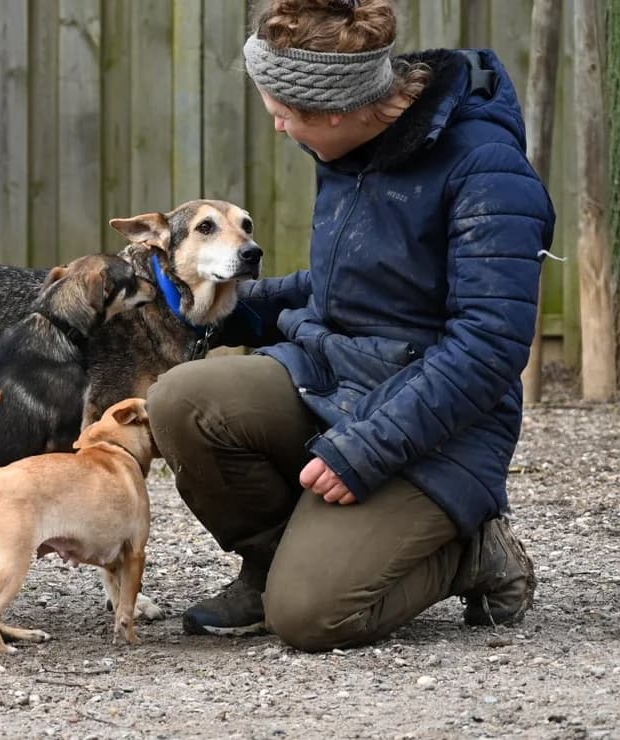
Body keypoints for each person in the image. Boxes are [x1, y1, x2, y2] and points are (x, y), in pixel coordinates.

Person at [145, 0, 554, 651]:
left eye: (283, 110)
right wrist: (225, 307)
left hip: (441, 425)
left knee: (311, 617)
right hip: (337, 379)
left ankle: (473, 554)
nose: (278, 126)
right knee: (180, 400)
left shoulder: (488, 173)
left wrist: (363, 451)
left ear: (334, 110)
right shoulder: (353, 149)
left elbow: (487, 349)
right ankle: (273, 562)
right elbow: (343, 286)